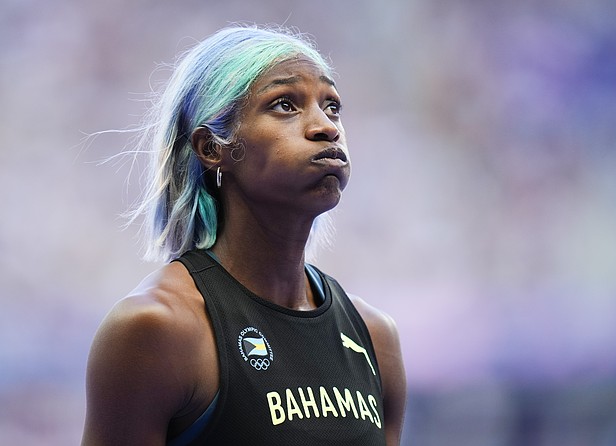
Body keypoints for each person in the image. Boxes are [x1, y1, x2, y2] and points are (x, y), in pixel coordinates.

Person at [81, 25, 406, 446]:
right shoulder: (157, 329)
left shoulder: (375, 336)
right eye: (285, 105)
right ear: (212, 148)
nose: (325, 126)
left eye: (333, 107)